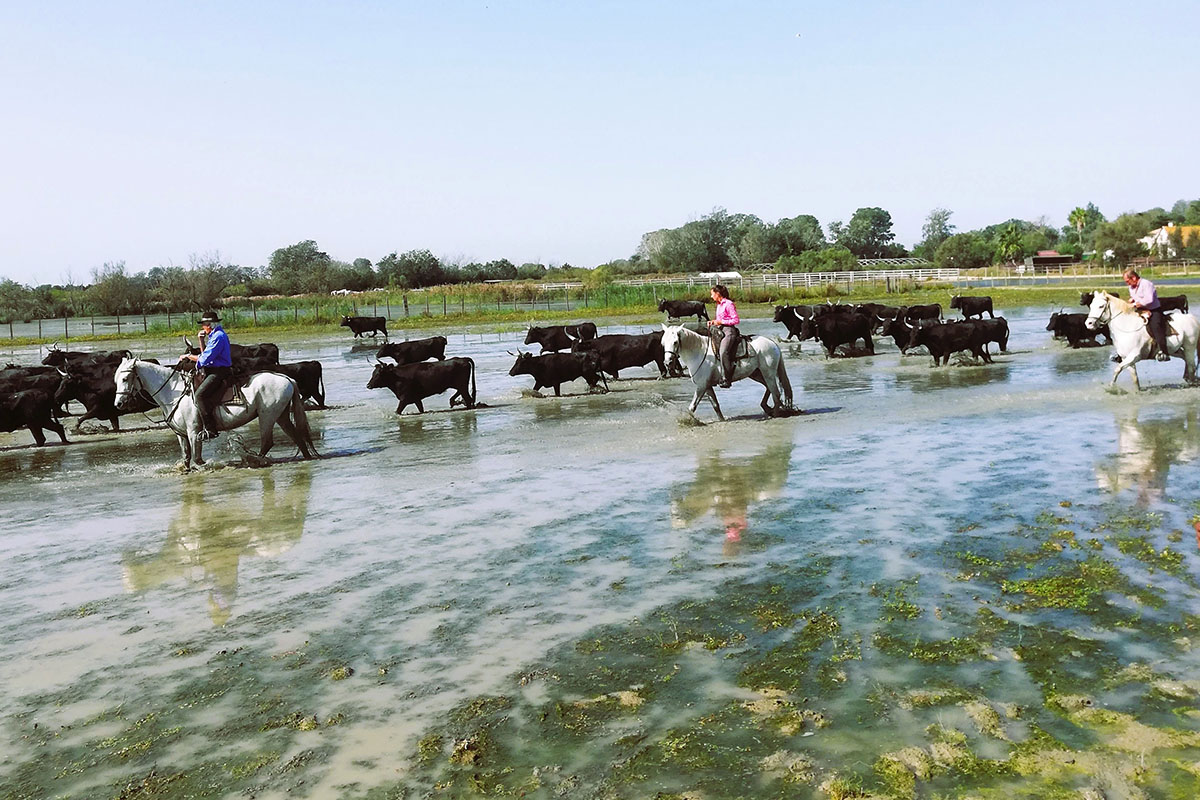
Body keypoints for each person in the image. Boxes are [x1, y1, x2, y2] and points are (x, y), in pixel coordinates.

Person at [180, 311, 232, 439]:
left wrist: (188, 356)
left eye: (204, 325)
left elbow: (204, 360)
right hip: (214, 370)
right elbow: (205, 355)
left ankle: (210, 429)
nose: (203, 327)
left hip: (219, 372)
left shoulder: (218, 336)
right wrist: (201, 340)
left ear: (210, 325)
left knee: (199, 396)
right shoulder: (214, 336)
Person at [1124, 268, 1171, 362]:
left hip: (1154, 310)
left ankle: (1164, 352)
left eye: (1127, 281)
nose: (1127, 283)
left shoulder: (1147, 284)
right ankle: (1123, 352)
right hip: (1141, 310)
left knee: (1156, 326)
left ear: (1133, 278)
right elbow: (1135, 297)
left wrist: (1136, 303)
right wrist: (1132, 300)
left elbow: (1149, 300)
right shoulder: (1131, 287)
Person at [706, 284, 740, 388]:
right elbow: (719, 321)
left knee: (723, 352)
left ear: (718, 293)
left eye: (712, 294)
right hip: (720, 330)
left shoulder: (728, 304)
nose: (711, 296)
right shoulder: (719, 305)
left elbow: (736, 320)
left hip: (729, 331)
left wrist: (720, 321)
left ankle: (727, 378)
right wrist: (713, 322)